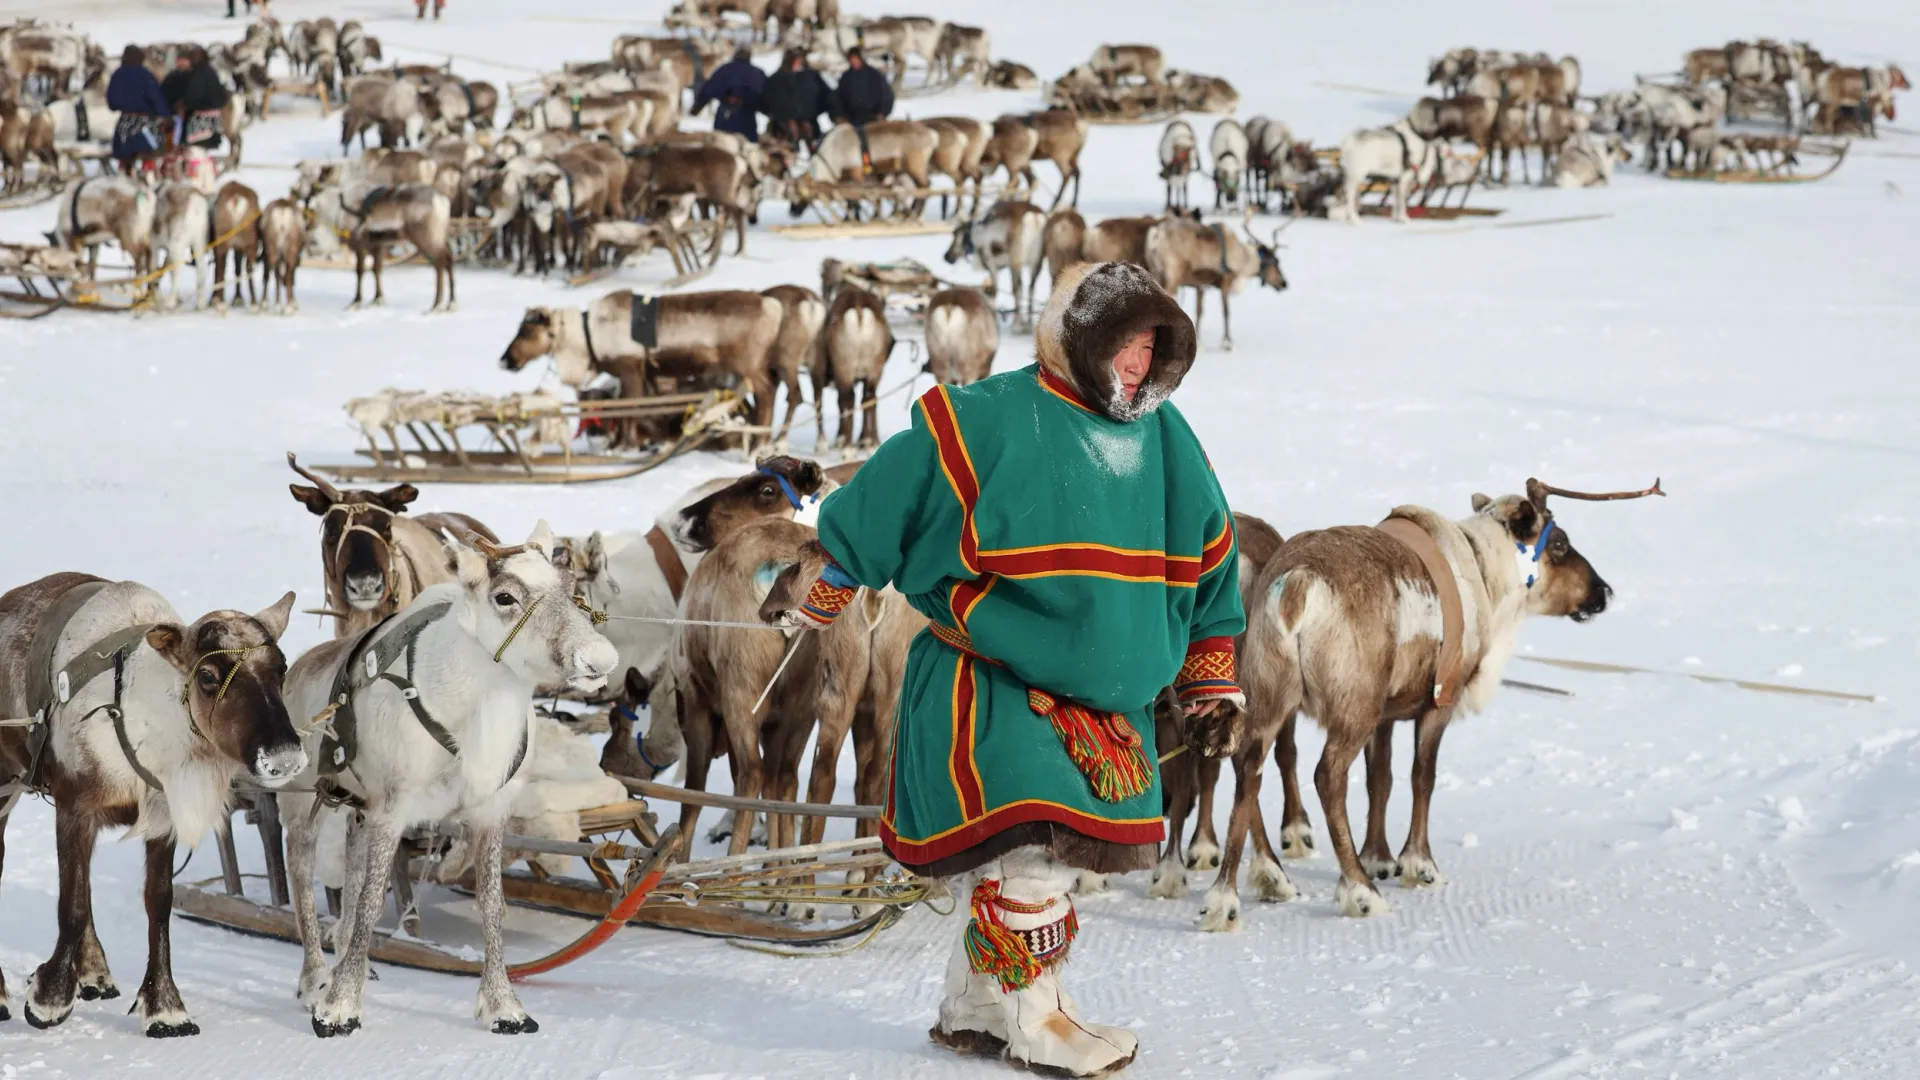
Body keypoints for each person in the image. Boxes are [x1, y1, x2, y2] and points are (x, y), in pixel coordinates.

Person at [774, 262, 1244, 1078]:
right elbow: (896, 490)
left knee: (1033, 860)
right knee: (1035, 857)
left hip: (1111, 708)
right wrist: (838, 571)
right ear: (1080, 339)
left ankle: (975, 1008)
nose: (1137, 363)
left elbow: (1211, 550)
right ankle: (1038, 1020)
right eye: (1124, 344)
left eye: (1151, 347)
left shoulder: (1167, 438)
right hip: (993, 684)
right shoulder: (983, 418)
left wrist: (1210, 668)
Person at [107, 45, 170, 172]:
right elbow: (155, 97)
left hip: (124, 123)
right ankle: (148, 173)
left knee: (125, 155)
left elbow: (112, 101)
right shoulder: (145, 75)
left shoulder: (117, 74)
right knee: (151, 151)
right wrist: (165, 115)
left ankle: (125, 173)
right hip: (144, 123)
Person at [162, 47, 230, 152]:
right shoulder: (205, 71)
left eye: (185, 60)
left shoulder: (198, 73)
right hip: (207, 119)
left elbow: (193, 95)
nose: (183, 63)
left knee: (192, 147)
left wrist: (183, 105)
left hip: (198, 119)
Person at [760, 48, 832, 146]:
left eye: (799, 61)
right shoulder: (776, 80)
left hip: (809, 125)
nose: (797, 64)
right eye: (795, 60)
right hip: (783, 130)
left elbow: (824, 95)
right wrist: (779, 115)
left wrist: (813, 112)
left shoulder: (811, 77)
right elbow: (766, 101)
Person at [693, 46, 766, 142]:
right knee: (747, 149)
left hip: (724, 116)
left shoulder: (724, 69)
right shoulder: (757, 73)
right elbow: (764, 97)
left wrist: (696, 108)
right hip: (746, 118)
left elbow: (708, 89)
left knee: (721, 147)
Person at [829, 46, 893, 126]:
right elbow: (838, 97)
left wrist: (882, 113)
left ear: (861, 59)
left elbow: (886, 95)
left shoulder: (874, 75)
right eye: (851, 60)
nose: (854, 62)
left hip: (873, 118)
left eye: (856, 59)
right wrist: (839, 115)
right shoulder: (846, 77)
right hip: (852, 119)